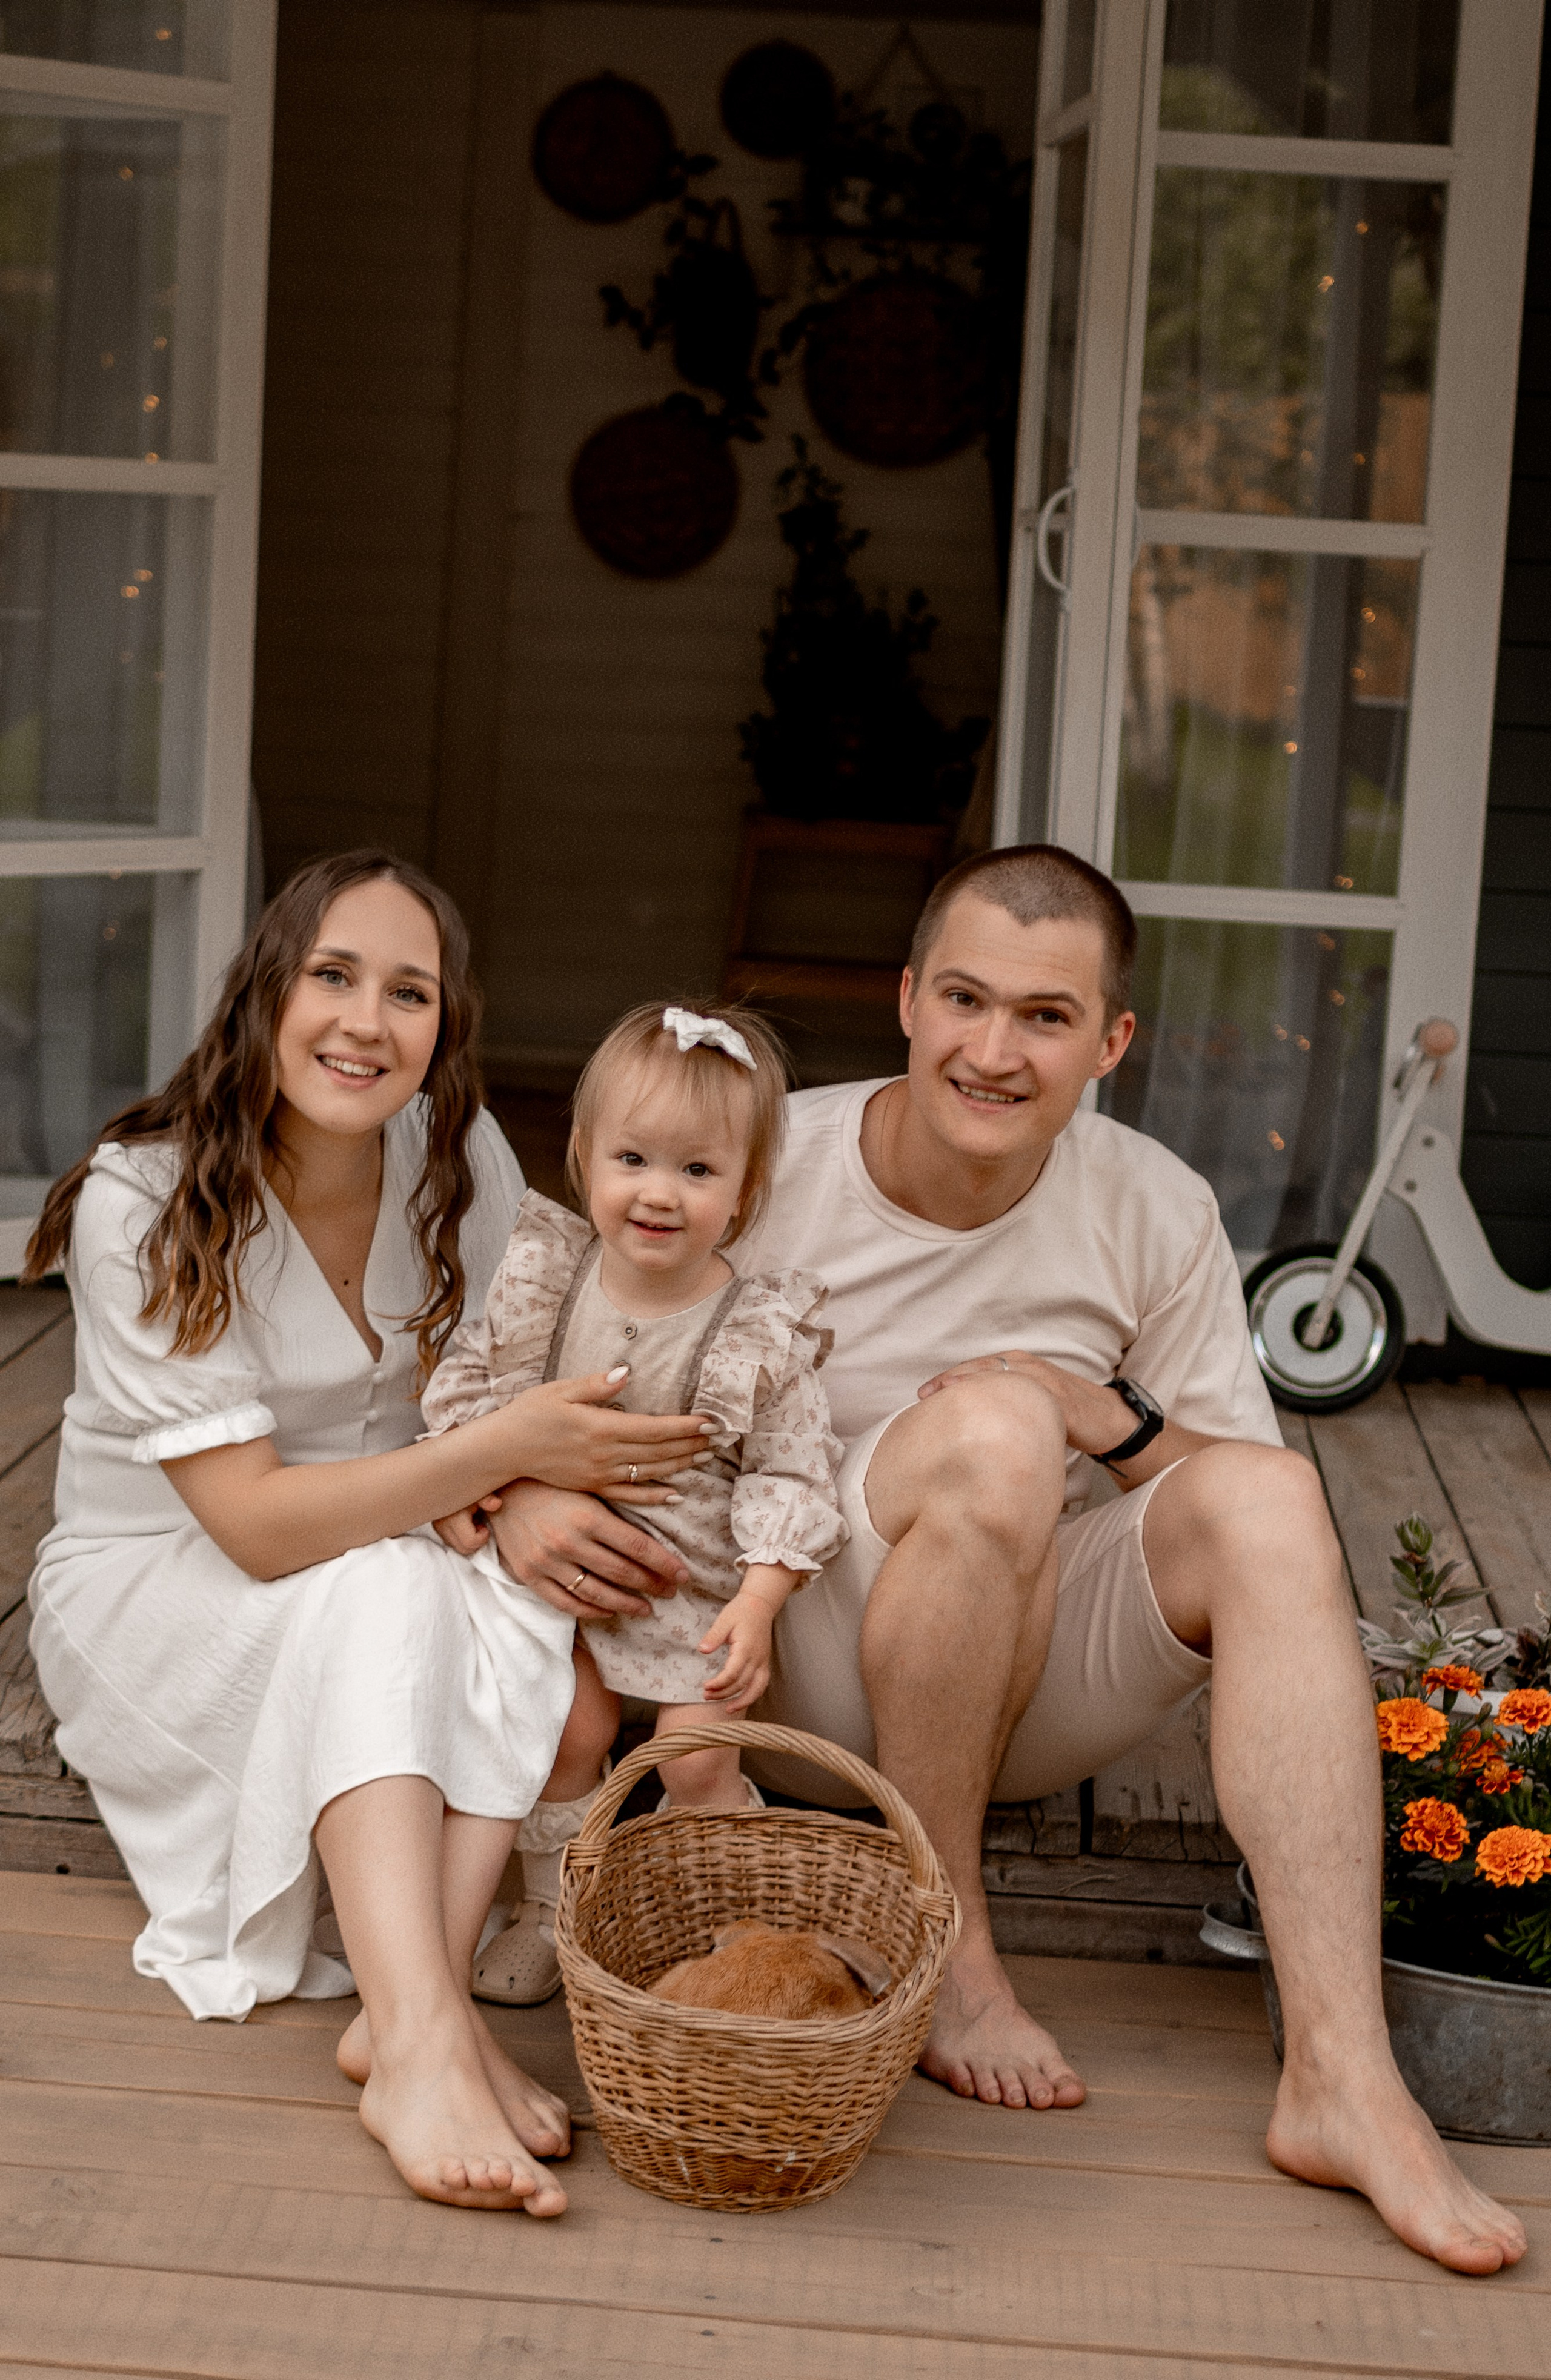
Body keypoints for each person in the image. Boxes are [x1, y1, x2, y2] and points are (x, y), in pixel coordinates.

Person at [476, 844, 1527, 2276]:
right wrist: (519, 1493)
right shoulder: (758, 1159)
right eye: (962, 999)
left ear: (1110, 1040)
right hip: (764, 1665)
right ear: (905, 1001)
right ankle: (955, 1959)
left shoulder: (1149, 1204)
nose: (991, 1049)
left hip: (1012, 1673)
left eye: (1043, 1016)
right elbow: (548, 1344)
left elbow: (1210, 1484)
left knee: (1273, 1498)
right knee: (992, 1430)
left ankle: (1341, 2076)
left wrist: (1115, 1415)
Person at [22, 850, 716, 2218]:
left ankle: (412, 2019)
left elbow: (510, 1382)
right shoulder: (143, 1200)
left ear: (444, 1033)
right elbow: (258, 1529)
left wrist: (516, 1485)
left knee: (516, 1611)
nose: (365, 1021)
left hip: (390, 1531)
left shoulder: (452, 1156)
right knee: (381, 1598)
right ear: (265, 990)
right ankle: (422, 2038)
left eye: (410, 993)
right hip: (164, 1586)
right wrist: (502, 1461)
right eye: (333, 975)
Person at [425, 1000, 845, 2003]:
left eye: (698, 1171)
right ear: (582, 1156)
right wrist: (481, 1488)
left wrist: (759, 1601)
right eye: (634, 1160)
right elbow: (468, 1392)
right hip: (558, 1575)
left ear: (744, 1191)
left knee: (693, 1757)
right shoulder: (545, 1283)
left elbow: (790, 1470)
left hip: (694, 1587)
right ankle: (552, 1906)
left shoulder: (758, 1326)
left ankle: (706, 1915)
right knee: (568, 1732)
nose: (660, 1194)